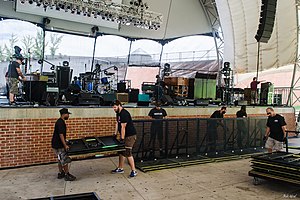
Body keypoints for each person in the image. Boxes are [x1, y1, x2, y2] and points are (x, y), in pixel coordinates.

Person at [111, 100, 138, 178]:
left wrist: (122, 138)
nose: (114, 109)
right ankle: (120, 168)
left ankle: (134, 170)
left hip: (130, 136)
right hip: (125, 135)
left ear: (119, 105)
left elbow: (123, 127)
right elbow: (117, 124)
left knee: (127, 152)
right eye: (113, 107)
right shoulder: (118, 113)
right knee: (121, 152)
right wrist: (115, 134)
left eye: (115, 107)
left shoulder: (124, 114)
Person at [51, 108, 76, 181]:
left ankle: (61, 173)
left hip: (55, 144)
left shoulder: (59, 121)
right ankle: (67, 174)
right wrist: (65, 145)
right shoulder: (61, 123)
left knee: (59, 159)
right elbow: (61, 134)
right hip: (59, 145)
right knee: (64, 160)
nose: (68, 116)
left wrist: (66, 140)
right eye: (67, 114)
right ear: (64, 114)